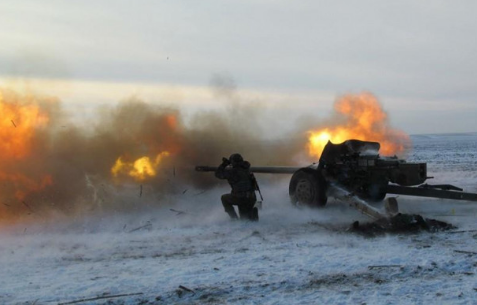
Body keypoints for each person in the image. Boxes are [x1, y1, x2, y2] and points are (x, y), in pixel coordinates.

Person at [215, 153, 258, 221]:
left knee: (224, 198)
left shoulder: (232, 171)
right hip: (252, 198)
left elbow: (218, 174)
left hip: (240, 197)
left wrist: (224, 164)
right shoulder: (248, 169)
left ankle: (234, 219)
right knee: (250, 220)